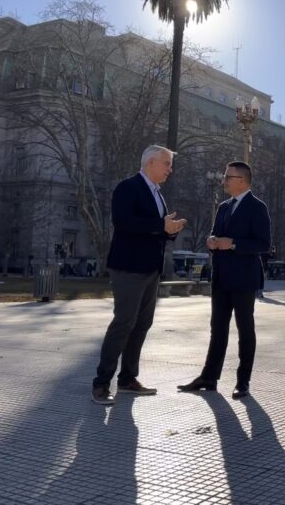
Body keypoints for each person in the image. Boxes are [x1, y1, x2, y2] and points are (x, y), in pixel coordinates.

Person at [91, 145, 187, 405]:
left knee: (142, 324)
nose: (170, 169)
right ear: (151, 163)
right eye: (166, 164)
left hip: (150, 270)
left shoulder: (157, 193)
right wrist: (160, 225)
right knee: (123, 323)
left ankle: (128, 379)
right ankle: (101, 384)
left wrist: (171, 230)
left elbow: (154, 230)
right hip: (128, 268)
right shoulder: (128, 187)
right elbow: (123, 223)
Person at [178, 161, 271, 400]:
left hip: (244, 278)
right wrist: (211, 241)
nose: (223, 180)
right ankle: (209, 377)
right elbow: (214, 233)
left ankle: (243, 381)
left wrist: (235, 244)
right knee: (217, 328)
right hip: (220, 277)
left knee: (244, 329)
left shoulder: (257, 207)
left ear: (241, 180)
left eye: (228, 177)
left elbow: (263, 244)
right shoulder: (223, 207)